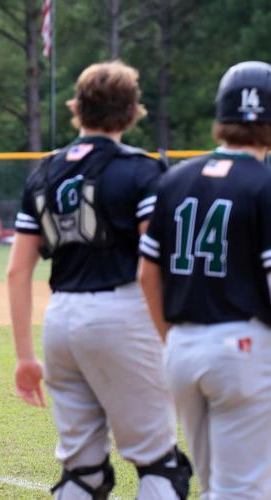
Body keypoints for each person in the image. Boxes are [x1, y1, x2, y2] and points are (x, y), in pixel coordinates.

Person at [7, 61, 192, 499]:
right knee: (161, 466)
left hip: (61, 321)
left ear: (77, 109)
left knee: (83, 472)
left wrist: (24, 357)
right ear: (132, 112)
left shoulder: (45, 171)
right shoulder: (142, 171)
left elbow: (18, 270)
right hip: (122, 313)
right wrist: (172, 333)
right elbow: (156, 265)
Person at [139, 61, 271, 499]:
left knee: (215, 485)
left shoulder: (175, 180)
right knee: (244, 490)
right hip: (242, 349)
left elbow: (147, 273)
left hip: (182, 350)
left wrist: (171, 338)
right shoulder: (264, 185)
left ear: (221, 118)